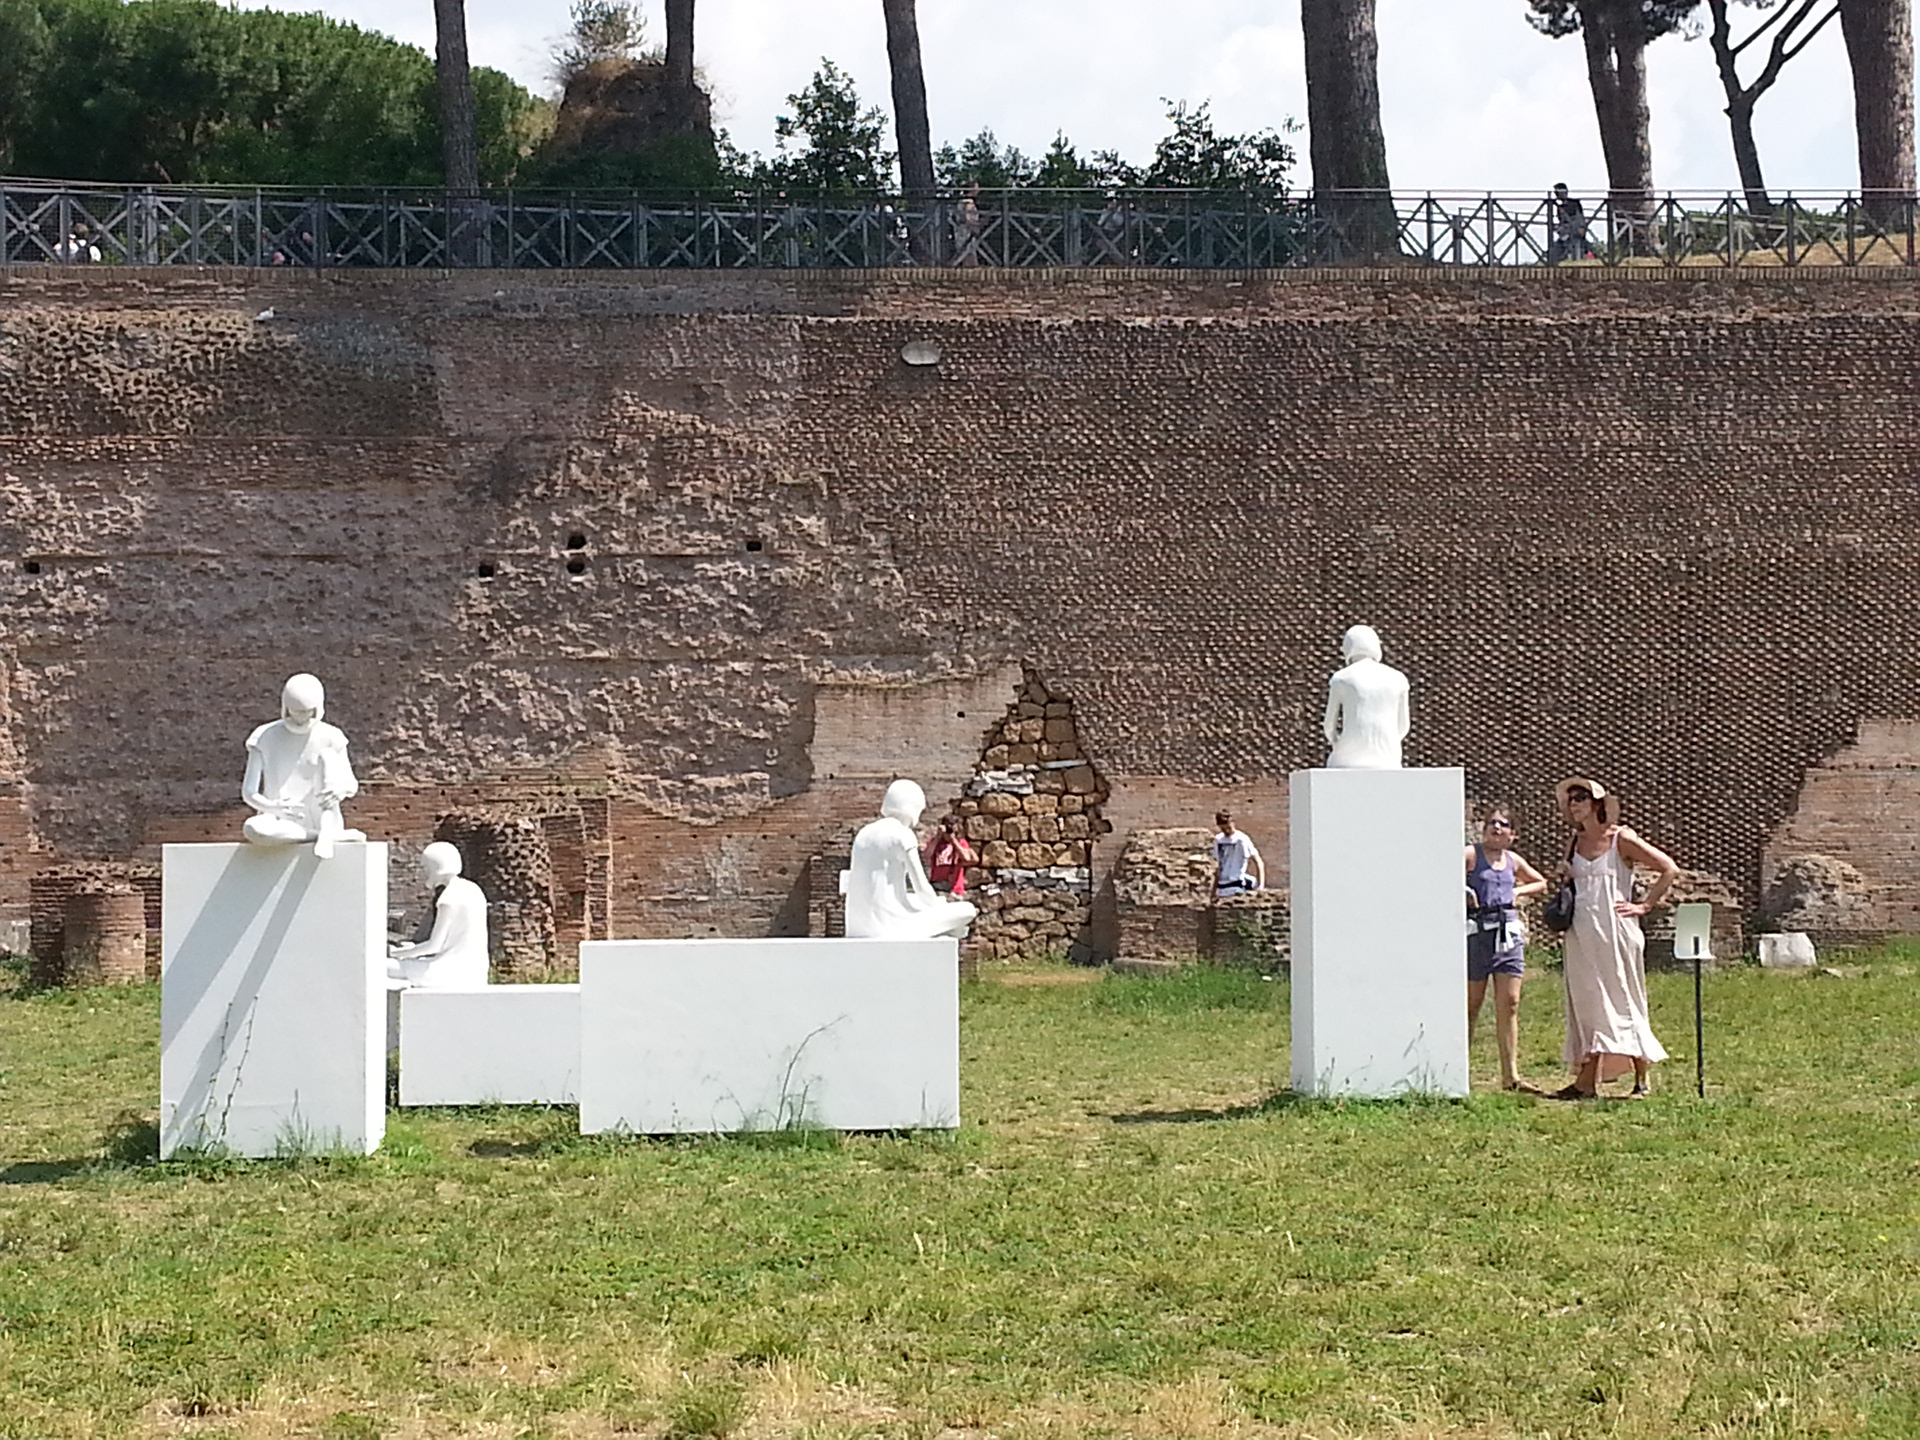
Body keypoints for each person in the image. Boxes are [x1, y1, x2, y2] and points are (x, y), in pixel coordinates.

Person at [1551, 777, 1680, 1099]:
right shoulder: (1573, 842)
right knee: (1587, 1002)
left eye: (1581, 797)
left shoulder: (1621, 838)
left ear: (1597, 803)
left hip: (1616, 929)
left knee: (1624, 996)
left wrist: (1645, 905)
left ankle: (1641, 1079)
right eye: (1571, 800)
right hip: (1580, 931)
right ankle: (1586, 1080)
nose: (1575, 804)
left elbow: (1668, 868)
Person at [1463, 807, 1548, 1091]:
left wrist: (1518, 892)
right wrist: (1464, 892)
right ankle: (1460, 1069)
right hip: (1477, 933)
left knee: (1510, 1003)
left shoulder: (1513, 861)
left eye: (1503, 824)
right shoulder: (1471, 855)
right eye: (1491, 823)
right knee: (1471, 1004)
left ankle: (1510, 1076)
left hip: (1508, 933)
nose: (1496, 827)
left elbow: (1540, 882)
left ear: (1513, 835)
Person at [922, 815, 977, 898]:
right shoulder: (935, 842)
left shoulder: (961, 843)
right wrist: (938, 836)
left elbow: (966, 858)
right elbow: (926, 855)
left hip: (955, 889)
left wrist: (954, 841)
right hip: (937, 886)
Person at [1212, 811, 1264, 897]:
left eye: (1228, 827)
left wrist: (1260, 886)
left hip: (1236, 882)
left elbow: (1258, 861)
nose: (1226, 831)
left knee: (1251, 881)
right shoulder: (1218, 840)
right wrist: (1213, 892)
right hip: (1222, 885)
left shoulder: (1242, 839)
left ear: (1232, 823)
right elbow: (1217, 867)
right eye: (1223, 829)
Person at [1547, 182, 1590, 264]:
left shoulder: (1574, 203)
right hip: (1566, 232)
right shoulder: (1560, 207)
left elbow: (1579, 217)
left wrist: (1581, 228)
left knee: (1577, 248)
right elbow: (1561, 221)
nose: (1556, 195)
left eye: (1557, 192)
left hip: (1575, 231)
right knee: (1559, 248)